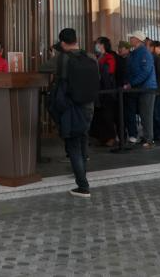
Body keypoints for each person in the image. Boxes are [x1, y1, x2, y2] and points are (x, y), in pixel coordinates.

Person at [46, 28, 99, 198]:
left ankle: (83, 186)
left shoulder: (62, 58)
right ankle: (83, 176)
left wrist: (53, 55)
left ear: (62, 43)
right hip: (89, 106)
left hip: (72, 108)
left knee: (73, 147)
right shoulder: (90, 57)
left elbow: (43, 68)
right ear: (76, 39)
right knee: (82, 142)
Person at [126, 31, 157, 148]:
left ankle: (149, 139)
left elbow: (145, 71)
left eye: (132, 38)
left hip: (147, 88)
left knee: (146, 114)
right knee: (144, 114)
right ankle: (146, 137)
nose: (130, 40)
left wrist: (132, 83)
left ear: (137, 40)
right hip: (141, 88)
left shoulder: (144, 53)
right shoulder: (136, 53)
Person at [89, 37, 118, 146]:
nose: (96, 45)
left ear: (103, 45)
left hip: (107, 90)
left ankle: (110, 137)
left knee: (107, 115)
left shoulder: (109, 56)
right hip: (98, 90)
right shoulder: (97, 57)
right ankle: (101, 137)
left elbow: (110, 71)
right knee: (98, 115)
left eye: (98, 43)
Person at [116, 40, 137, 142]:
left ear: (127, 49)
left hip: (130, 89)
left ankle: (133, 134)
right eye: (119, 47)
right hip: (120, 89)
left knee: (130, 113)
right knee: (121, 113)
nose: (119, 49)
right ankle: (122, 135)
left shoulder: (132, 58)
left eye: (122, 47)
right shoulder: (118, 59)